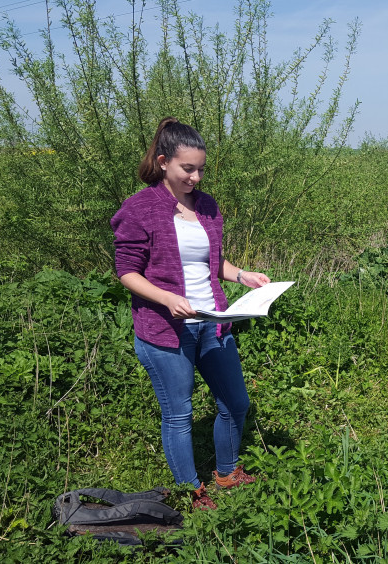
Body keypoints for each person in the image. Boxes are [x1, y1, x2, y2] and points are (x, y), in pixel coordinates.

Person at [111, 117, 270, 509]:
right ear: (164, 162)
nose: (196, 177)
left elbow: (211, 262)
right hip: (165, 330)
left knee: (236, 402)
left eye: (201, 168)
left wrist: (242, 275)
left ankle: (227, 472)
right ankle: (190, 490)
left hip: (212, 325)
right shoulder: (140, 208)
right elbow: (126, 271)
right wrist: (165, 298)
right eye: (188, 168)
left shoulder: (208, 206)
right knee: (179, 415)